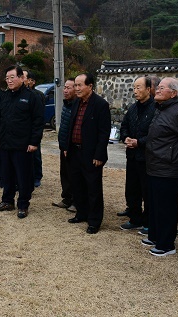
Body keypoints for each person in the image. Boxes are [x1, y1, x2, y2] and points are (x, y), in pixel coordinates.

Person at [143, 77, 178, 256]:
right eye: (157, 87)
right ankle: (155, 235)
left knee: (166, 206)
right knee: (153, 204)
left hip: (169, 167)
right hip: (154, 164)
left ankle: (167, 244)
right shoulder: (161, 109)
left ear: (173, 93)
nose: (157, 90)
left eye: (162, 88)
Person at [0, 65, 44, 219]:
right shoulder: (5, 96)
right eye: (7, 78)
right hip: (5, 143)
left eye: (12, 77)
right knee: (7, 174)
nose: (9, 80)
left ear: (22, 78)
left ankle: (23, 204)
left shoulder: (31, 97)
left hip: (23, 145)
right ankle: (7, 200)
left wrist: (34, 142)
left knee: (23, 176)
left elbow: (38, 122)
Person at [66, 73, 111, 234]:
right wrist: (67, 147)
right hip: (75, 151)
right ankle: (81, 213)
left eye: (79, 85)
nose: (76, 88)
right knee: (77, 185)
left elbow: (104, 133)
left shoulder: (100, 105)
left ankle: (94, 220)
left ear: (90, 86)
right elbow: (72, 126)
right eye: (75, 85)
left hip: (91, 154)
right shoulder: (76, 102)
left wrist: (99, 155)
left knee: (93, 188)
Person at [117, 76, 156, 233]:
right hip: (131, 156)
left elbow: (156, 134)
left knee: (147, 191)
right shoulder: (133, 108)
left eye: (139, 87)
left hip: (147, 157)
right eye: (134, 88)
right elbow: (124, 126)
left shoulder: (155, 108)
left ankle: (148, 222)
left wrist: (139, 142)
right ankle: (135, 218)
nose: (136, 91)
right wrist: (125, 137)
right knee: (131, 189)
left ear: (148, 89)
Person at [52, 78, 77, 210]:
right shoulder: (66, 104)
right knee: (65, 174)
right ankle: (67, 198)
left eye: (69, 88)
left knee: (74, 175)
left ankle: (76, 201)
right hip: (63, 146)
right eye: (65, 87)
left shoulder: (77, 105)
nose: (65, 90)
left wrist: (69, 145)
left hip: (72, 147)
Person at [23, 70, 44, 187]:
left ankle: (37, 176)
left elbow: (39, 116)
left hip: (33, 130)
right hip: (22, 131)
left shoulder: (37, 95)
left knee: (36, 155)